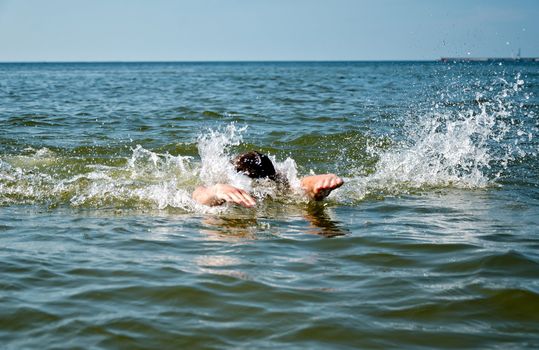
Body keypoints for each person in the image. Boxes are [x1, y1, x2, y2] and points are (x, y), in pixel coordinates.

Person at [192, 151, 344, 208]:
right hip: (220, 189)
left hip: (279, 184)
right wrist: (216, 190)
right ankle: (313, 186)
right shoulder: (221, 182)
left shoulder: (277, 184)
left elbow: (294, 187)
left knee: (294, 190)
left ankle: (314, 185)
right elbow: (198, 194)